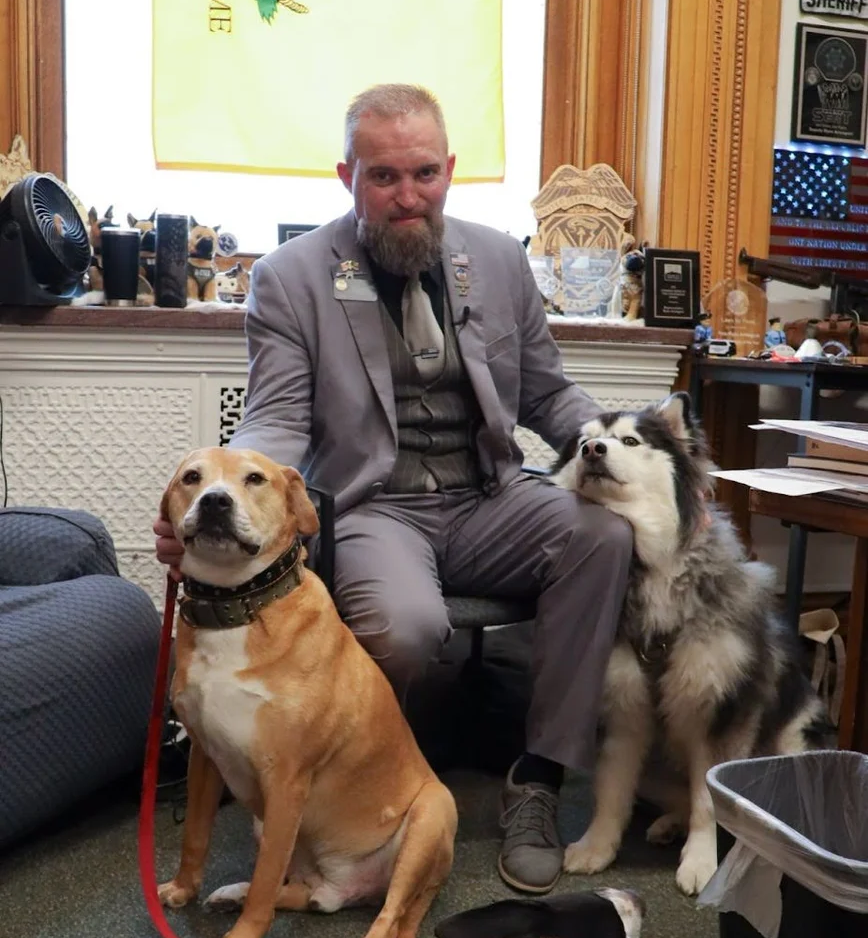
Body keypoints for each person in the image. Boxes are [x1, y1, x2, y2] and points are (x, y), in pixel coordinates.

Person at [154, 83, 631, 894]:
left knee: (603, 535)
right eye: (383, 177)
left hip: (489, 493)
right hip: (376, 507)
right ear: (348, 176)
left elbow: (549, 396)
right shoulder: (288, 278)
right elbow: (275, 419)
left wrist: (627, 449)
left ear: (449, 170)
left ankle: (539, 780)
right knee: (407, 630)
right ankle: (373, 790)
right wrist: (219, 502)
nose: (407, 196)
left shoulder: (502, 261)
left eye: (423, 174)